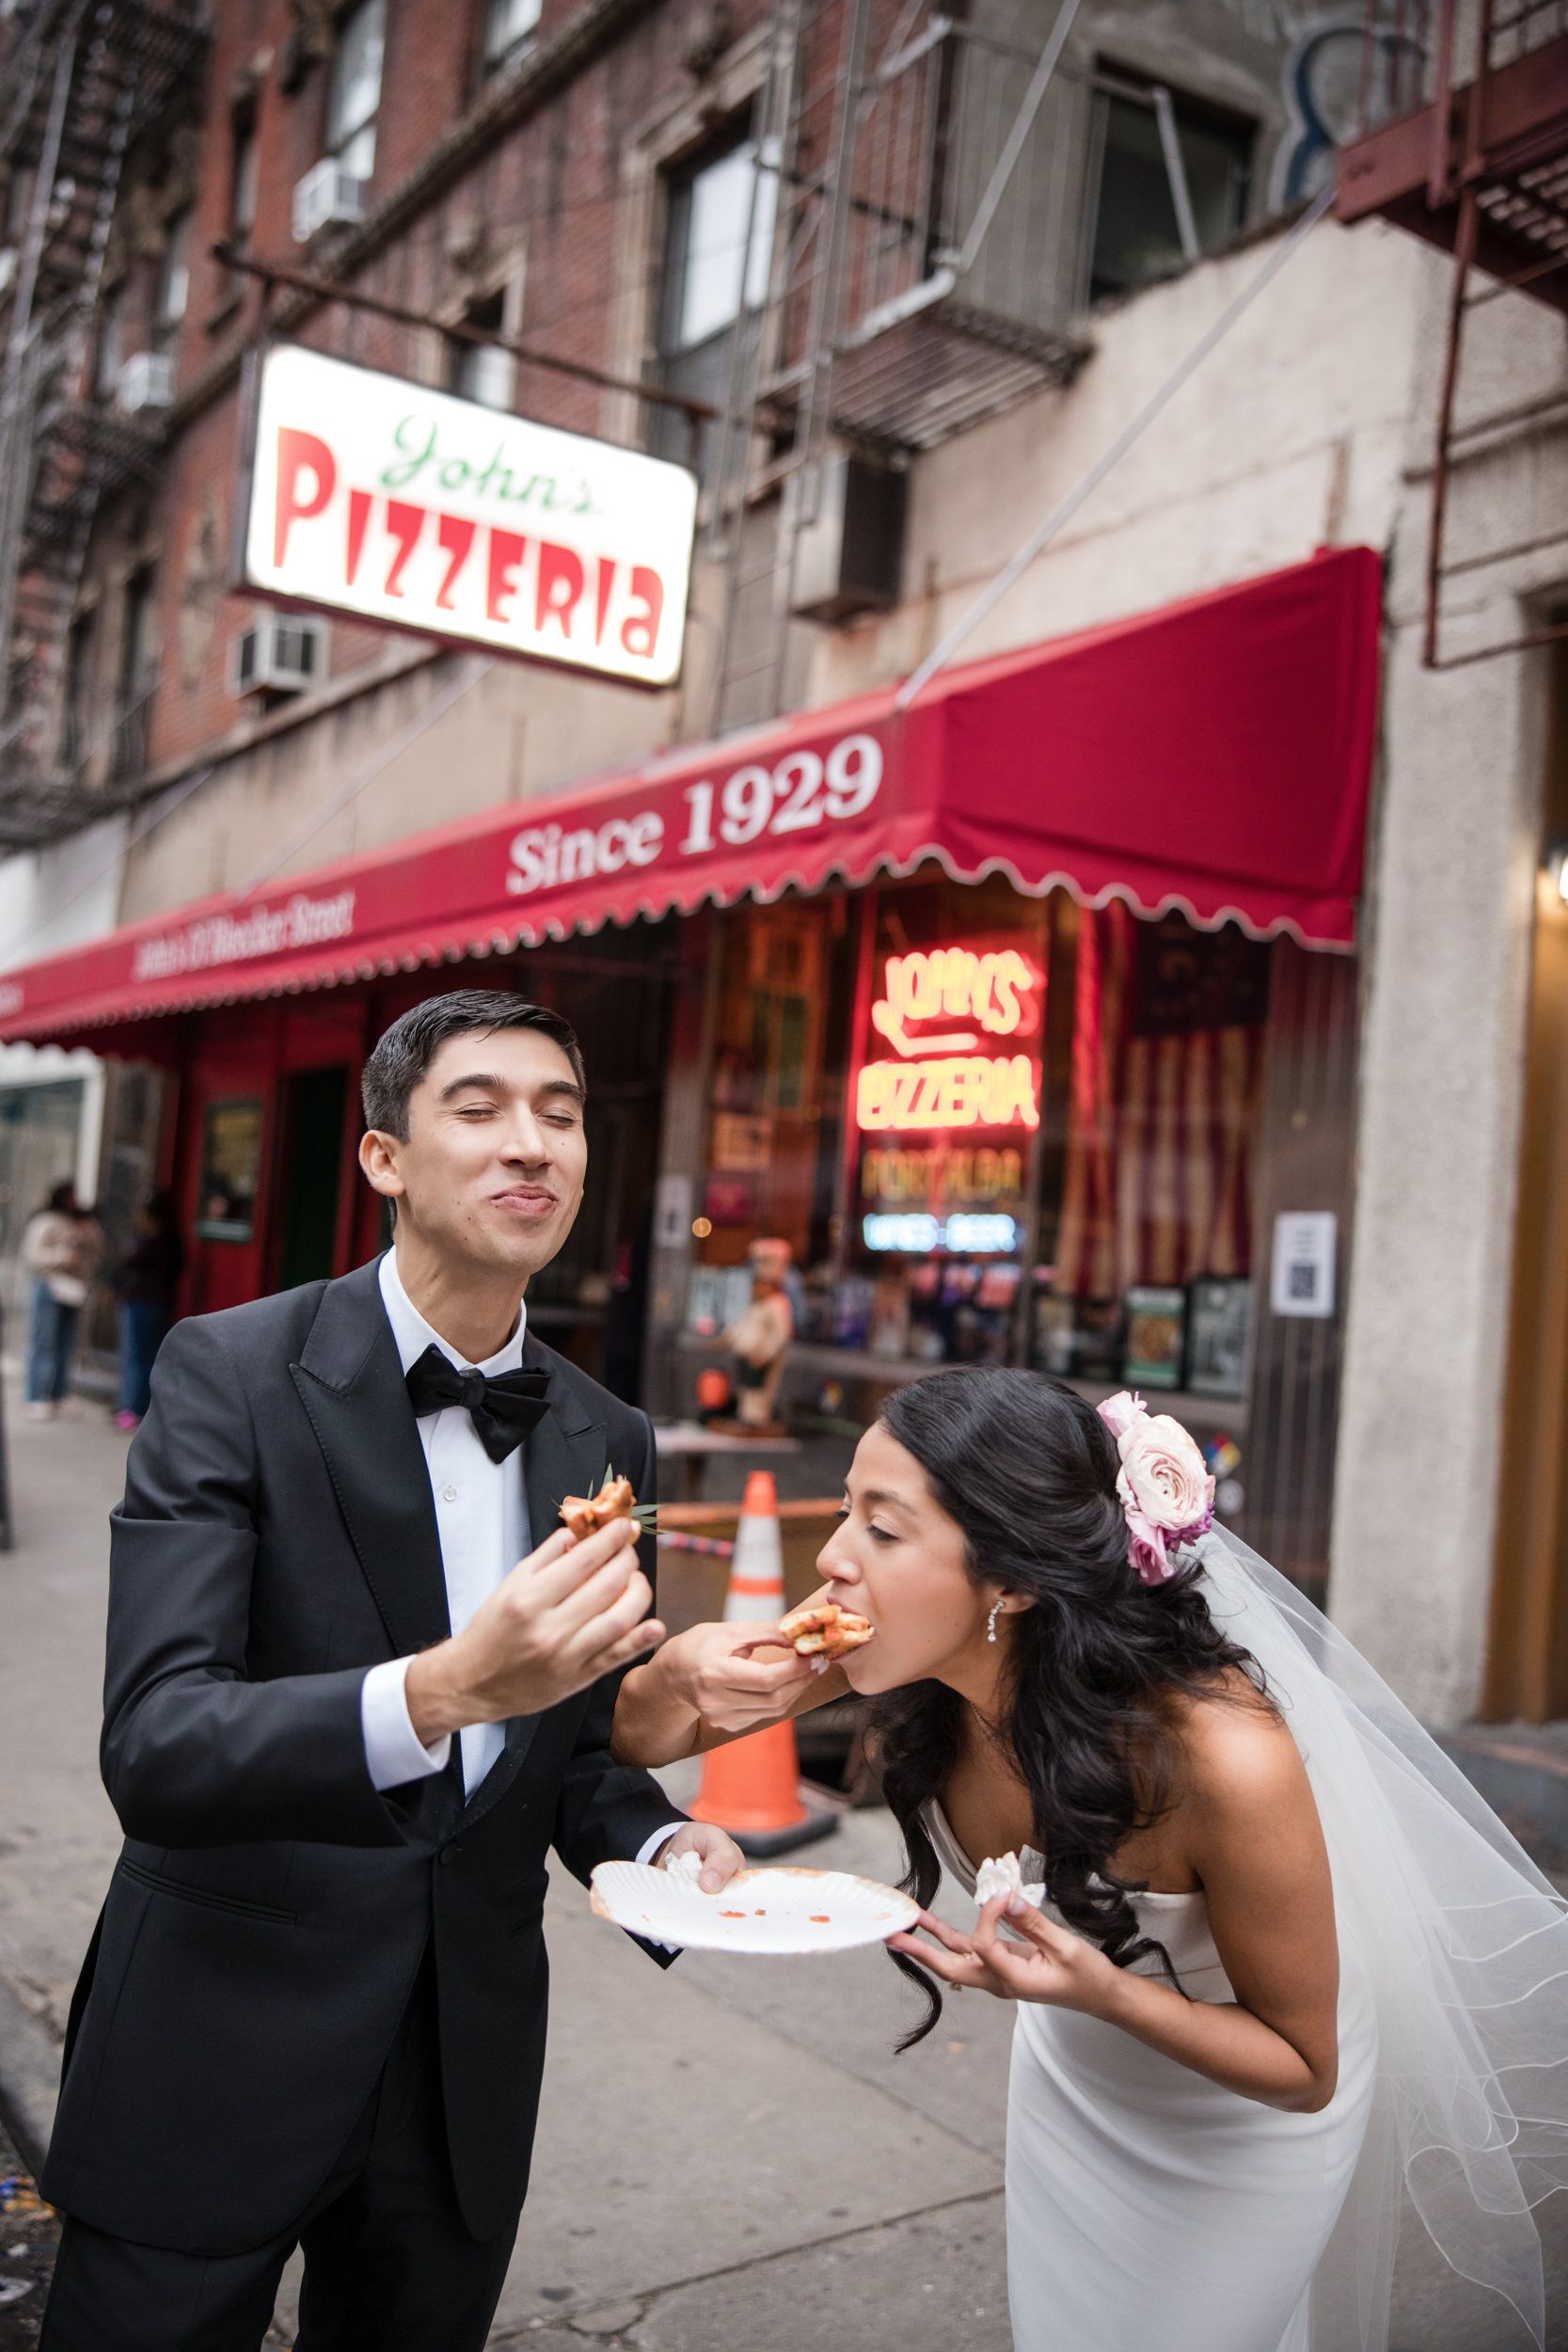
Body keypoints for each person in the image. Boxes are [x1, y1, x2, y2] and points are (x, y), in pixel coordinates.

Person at [40, 990, 743, 2352]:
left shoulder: (607, 1434)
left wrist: (657, 1848)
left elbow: (570, 1754)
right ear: (382, 1159)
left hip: (460, 2075)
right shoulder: (228, 1371)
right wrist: (438, 1693)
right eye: (476, 1110)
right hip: (218, 2045)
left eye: (557, 1114)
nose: (527, 1145)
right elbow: (160, 1746)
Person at [614, 1367, 1568, 2352]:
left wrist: (1100, 1993)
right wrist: (673, 1670)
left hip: (1241, 2124)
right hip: (1077, 2074)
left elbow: (1302, 2067)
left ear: (1014, 1579)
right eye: (849, 1510)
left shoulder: (1224, 1760)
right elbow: (644, 1739)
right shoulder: (895, 1641)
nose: (833, 1556)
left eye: (882, 1528)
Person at [21, 1181, 104, 1420]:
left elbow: (98, 1250)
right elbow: (33, 1255)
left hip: (74, 1289)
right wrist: (63, 1256)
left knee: (66, 1344)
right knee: (44, 1342)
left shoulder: (81, 1223)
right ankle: (36, 1396)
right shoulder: (45, 1222)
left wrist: (86, 1230)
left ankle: (58, 1395)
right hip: (50, 1286)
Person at [110, 1186, 183, 1430]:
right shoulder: (170, 1238)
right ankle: (136, 1406)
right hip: (158, 1303)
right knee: (147, 1356)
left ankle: (133, 1408)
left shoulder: (151, 1238)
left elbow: (127, 1262)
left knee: (137, 1357)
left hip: (142, 1303)